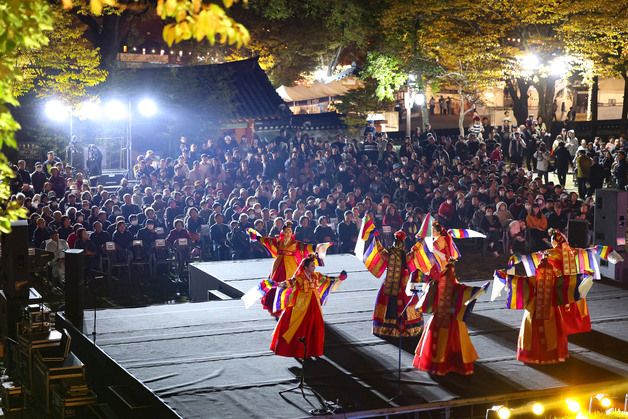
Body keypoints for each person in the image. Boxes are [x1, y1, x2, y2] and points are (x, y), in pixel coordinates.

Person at [495, 257, 591, 364]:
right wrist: (583, 276)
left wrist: (505, 276)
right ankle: (547, 355)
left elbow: (517, 281)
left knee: (535, 335)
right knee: (550, 334)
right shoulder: (554, 281)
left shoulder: (534, 280)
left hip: (535, 312)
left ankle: (537, 354)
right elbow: (569, 283)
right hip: (547, 312)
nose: (544, 274)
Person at [413, 262, 487, 375]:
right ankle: (446, 364)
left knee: (439, 340)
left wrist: (477, 291)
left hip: (438, 318)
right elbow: (466, 292)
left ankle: (439, 364)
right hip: (449, 319)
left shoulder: (436, 284)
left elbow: (429, 301)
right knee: (453, 341)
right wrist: (478, 291)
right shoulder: (452, 286)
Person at [270, 255, 346, 358]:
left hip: (314, 303)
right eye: (311, 265)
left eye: (314, 265)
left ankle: (312, 349)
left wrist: (339, 278)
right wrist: (278, 284)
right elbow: (289, 283)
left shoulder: (316, 276)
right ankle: (298, 350)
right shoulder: (299, 277)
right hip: (302, 305)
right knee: (300, 325)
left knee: (316, 324)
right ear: (305, 267)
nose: (314, 267)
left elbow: (327, 279)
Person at [249, 221, 328, 316]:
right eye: (286, 231)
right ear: (283, 232)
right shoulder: (278, 241)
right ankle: (277, 303)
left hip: (291, 265)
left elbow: (306, 247)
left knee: (292, 282)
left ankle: (291, 303)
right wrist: (257, 237)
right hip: (278, 265)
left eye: (290, 231)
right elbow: (267, 241)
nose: (288, 233)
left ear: (292, 233)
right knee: (277, 282)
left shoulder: (295, 243)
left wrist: (317, 247)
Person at [362, 227, 423, 337]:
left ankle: (386, 327)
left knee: (389, 303)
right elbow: (414, 254)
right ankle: (405, 328)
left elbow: (380, 251)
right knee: (404, 301)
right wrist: (420, 242)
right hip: (403, 282)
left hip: (390, 282)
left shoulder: (390, 253)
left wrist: (376, 238)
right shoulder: (405, 255)